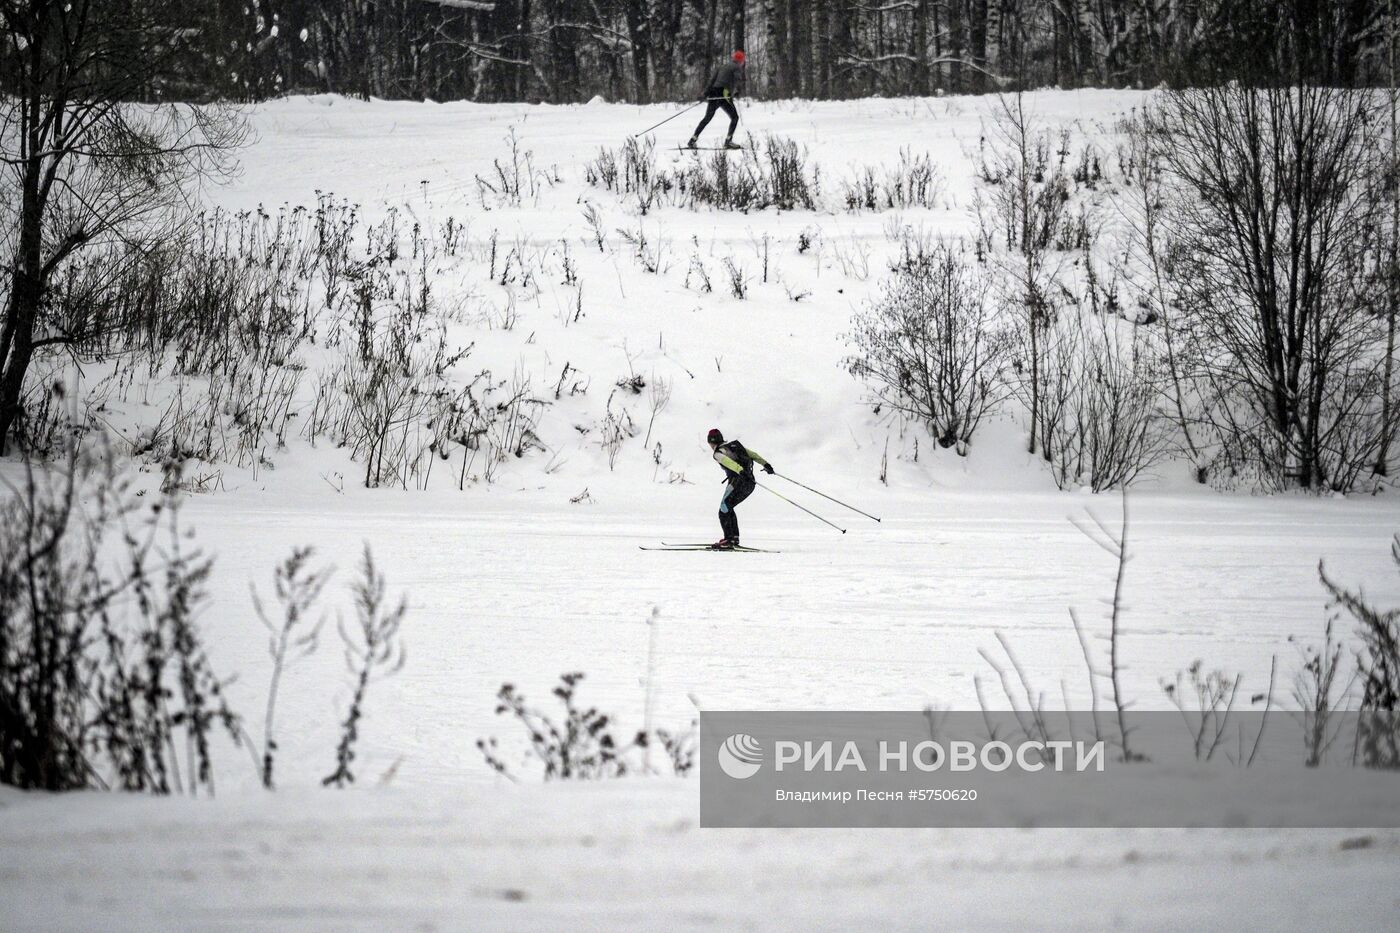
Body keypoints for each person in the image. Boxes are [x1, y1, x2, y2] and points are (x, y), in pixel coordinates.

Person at [707, 427, 773, 549]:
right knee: (728, 507)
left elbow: (728, 463)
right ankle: (733, 538)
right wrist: (766, 464)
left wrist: (740, 471)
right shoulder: (733, 447)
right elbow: (754, 455)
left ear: (711, 442)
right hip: (750, 483)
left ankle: (729, 540)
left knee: (724, 508)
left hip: (738, 482)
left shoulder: (718, 453)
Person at [687, 50, 745, 150]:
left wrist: (705, 94)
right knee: (734, 117)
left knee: (707, 118)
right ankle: (728, 141)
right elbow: (738, 80)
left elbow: (712, 81)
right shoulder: (737, 67)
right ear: (741, 61)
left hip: (714, 92)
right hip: (724, 93)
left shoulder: (722, 66)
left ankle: (693, 139)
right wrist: (737, 91)